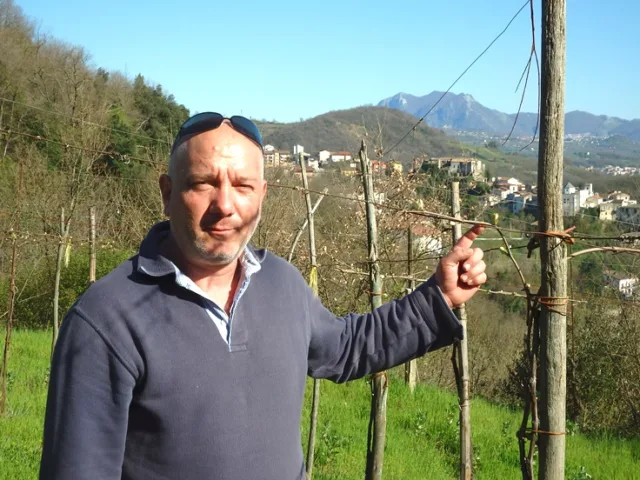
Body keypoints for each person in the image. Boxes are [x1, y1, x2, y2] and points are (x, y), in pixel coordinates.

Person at [39, 113, 487, 480]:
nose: (225, 205)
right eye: (203, 183)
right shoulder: (107, 320)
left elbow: (346, 347)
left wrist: (439, 298)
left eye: (243, 186)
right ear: (168, 193)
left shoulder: (280, 283)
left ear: (263, 196)